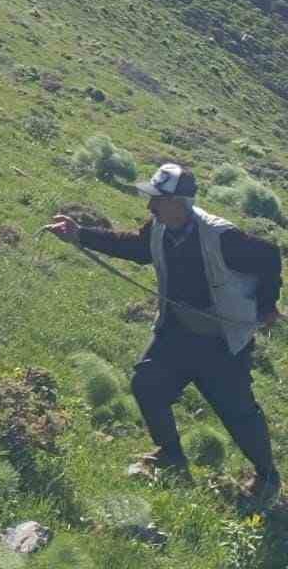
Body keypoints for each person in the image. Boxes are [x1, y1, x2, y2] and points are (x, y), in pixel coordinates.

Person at [46, 165, 281, 503]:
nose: (150, 207)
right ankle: (171, 457)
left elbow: (269, 257)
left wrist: (267, 305)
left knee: (238, 413)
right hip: (177, 332)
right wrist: (80, 234)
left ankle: (268, 477)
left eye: (157, 200)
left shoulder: (221, 236)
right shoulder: (160, 227)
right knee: (147, 384)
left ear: (179, 202)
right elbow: (136, 248)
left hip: (221, 342)